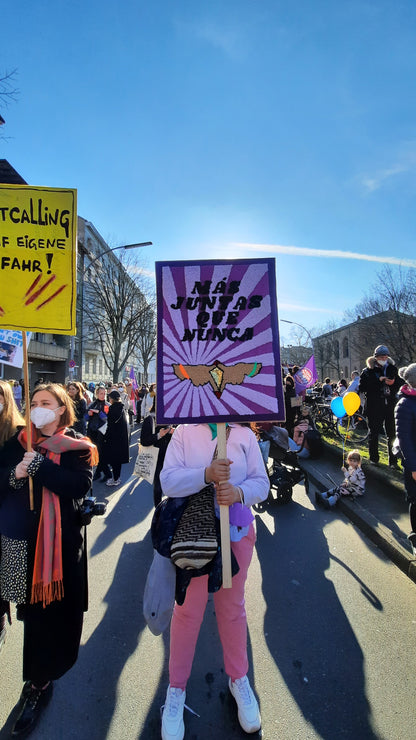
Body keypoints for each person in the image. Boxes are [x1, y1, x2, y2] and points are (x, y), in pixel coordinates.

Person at [159, 422, 269, 740]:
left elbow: (261, 484)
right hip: (193, 535)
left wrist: (238, 492)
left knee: (232, 610)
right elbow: (168, 481)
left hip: (236, 534)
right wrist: (205, 475)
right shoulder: (183, 432)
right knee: (187, 612)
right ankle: (176, 689)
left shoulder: (246, 435)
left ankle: (239, 679)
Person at [0, 383, 98, 737]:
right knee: (24, 610)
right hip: (19, 544)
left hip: (58, 551)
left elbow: (78, 487)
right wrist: (17, 474)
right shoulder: (17, 442)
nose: (39, 408)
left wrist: (40, 467)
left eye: (47, 403)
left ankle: (39, 684)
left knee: (50, 618)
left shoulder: (77, 446)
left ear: (61, 409)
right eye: (34, 402)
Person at [0, 380, 26, 654]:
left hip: (7, 514)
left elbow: (19, 478)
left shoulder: (18, 435)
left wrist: (11, 476)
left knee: (7, 579)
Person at [359, 344, 401, 466]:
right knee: (374, 433)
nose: (383, 359)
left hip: (390, 405)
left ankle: (393, 461)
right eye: (381, 357)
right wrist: (378, 381)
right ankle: (374, 458)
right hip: (374, 406)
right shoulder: (367, 371)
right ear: (375, 358)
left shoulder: (392, 368)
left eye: (385, 357)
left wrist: (393, 382)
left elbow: (400, 382)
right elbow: (363, 387)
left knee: (392, 434)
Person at [394, 364, 416, 555]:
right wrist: (413, 467)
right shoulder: (404, 404)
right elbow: (404, 439)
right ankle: (415, 537)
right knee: (415, 499)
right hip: (414, 461)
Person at [140, 395, 174, 506]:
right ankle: (158, 511)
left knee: (174, 487)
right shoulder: (150, 419)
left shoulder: (173, 417)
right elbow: (144, 441)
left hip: (173, 457)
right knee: (158, 488)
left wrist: (175, 432)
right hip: (157, 458)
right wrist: (159, 435)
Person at [103, 390, 130, 486]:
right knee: (117, 460)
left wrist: (105, 436)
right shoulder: (121, 408)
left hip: (113, 437)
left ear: (111, 399)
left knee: (112, 459)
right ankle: (117, 478)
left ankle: (115, 479)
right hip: (121, 437)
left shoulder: (112, 409)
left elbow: (110, 426)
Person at [86, 386, 111, 482]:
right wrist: (89, 414)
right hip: (92, 431)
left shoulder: (107, 405)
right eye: (101, 393)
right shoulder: (92, 404)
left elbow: (107, 418)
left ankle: (106, 473)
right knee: (93, 452)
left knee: (101, 453)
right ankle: (98, 473)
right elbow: (85, 418)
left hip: (102, 432)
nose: (103, 395)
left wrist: (99, 413)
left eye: (104, 393)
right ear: (96, 394)